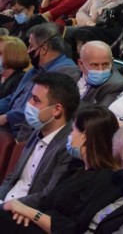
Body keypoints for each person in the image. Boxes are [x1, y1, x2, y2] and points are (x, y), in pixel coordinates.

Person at [0, 105, 123, 234]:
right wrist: (25, 213)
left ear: (84, 137)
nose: (69, 135)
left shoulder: (104, 179)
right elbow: (47, 203)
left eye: (72, 130)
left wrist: (27, 212)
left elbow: (70, 227)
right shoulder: (77, 167)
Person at [0, 73, 79, 207]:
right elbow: (12, 176)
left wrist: (7, 207)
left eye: (36, 100)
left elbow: (47, 195)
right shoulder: (37, 131)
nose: (28, 104)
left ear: (57, 109)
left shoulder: (69, 147)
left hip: (24, 213)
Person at [0, 23, 80, 140]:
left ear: (43, 49)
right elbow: (15, 97)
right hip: (9, 125)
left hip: (26, 132)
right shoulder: (34, 70)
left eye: (31, 46)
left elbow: (42, 109)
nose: (28, 51)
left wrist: (7, 117)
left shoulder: (66, 72)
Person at [77, 40, 123, 108]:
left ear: (112, 62)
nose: (100, 70)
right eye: (95, 65)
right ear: (81, 64)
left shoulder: (118, 85)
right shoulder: (71, 74)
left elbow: (98, 114)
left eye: (105, 64)